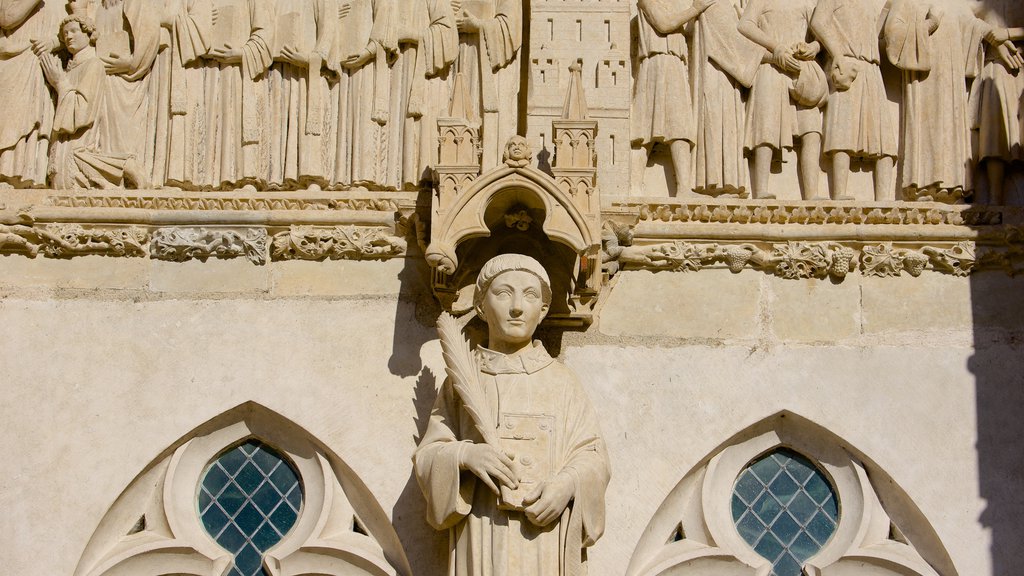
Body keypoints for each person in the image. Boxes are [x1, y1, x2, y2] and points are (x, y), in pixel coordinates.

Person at [414, 254, 610, 576]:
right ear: (481, 306)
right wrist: (466, 455)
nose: (517, 306)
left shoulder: (561, 383)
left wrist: (568, 485)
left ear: (543, 310)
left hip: (544, 539)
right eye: (504, 293)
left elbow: (594, 458)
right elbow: (428, 456)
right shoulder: (461, 383)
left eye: (530, 296)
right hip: (481, 531)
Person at [41, 16, 150, 188]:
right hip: (64, 144)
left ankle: (126, 167)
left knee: (72, 169)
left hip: (79, 143)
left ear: (88, 33)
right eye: (65, 33)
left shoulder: (93, 65)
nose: (69, 36)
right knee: (60, 178)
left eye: (74, 31)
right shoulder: (69, 69)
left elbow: (82, 113)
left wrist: (60, 83)